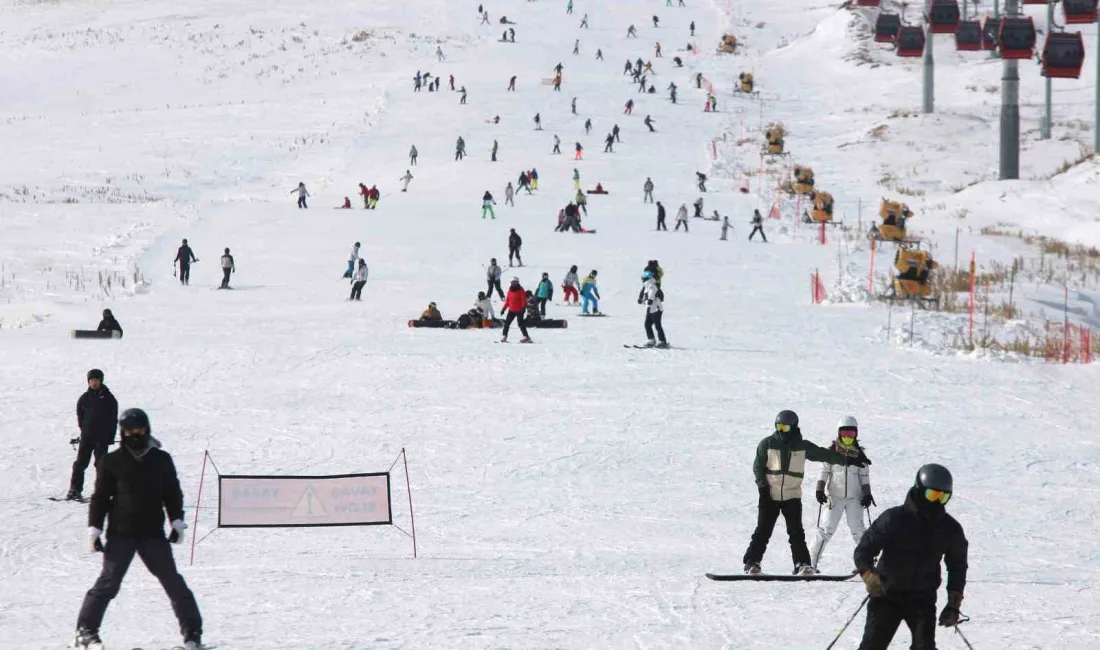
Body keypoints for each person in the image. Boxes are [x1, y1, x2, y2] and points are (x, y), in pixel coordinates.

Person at [74, 408, 203, 650]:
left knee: (172, 582)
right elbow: (101, 497)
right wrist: (94, 528)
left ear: (147, 429)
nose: (135, 434)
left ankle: (192, 633)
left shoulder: (161, 460)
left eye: (139, 429)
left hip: (152, 533)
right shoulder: (112, 461)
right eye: (129, 430)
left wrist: (176, 520)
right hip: (121, 533)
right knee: (109, 582)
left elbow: (172, 493)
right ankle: (85, 632)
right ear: (122, 432)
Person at [855, 464, 968, 650]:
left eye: (943, 496)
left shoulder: (949, 528)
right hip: (886, 595)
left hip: (922, 599)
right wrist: (869, 576)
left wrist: (953, 604)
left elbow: (957, 565)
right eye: (933, 495)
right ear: (919, 490)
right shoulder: (894, 518)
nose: (937, 502)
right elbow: (864, 550)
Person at [743, 410, 870, 575]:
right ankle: (751, 563)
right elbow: (757, 467)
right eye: (779, 427)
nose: (781, 431)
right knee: (763, 531)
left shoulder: (802, 446)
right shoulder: (767, 444)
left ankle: (802, 564)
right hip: (769, 496)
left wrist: (848, 460)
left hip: (792, 496)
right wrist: (763, 489)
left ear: (794, 428)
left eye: (785, 428)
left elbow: (824, 455)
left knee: (796, 533)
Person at [809, 416, 873, 569]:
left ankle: (868, 563)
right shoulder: (831, 454)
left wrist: (867, 494)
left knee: (858, 531)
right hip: (834, 497)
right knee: (826, 529)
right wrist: (819, 489)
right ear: (839, 433)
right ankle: (810, 564)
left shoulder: (860, 456)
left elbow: (864, 477)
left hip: (854, 499)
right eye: (845, 434)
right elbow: (824, 472)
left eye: (851, 434)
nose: (847, 437)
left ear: (856, 434)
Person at [67, 369, 119, 501]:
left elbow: (113, 420)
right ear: (88, 382)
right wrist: (84, 430)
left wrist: (110, 437)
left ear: (101, 381)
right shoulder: (84, 398)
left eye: (96, 380)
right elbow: (80, 416)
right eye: (92, 380)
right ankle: (74, 490)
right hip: (87, 436)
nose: (94, 383)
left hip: (102, 438)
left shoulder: (109, 399)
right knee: (80, 463)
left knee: (101, 465)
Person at [639, 271, 667, 347]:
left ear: (647, 278)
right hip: (650, 308)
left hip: (656, 309)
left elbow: (652, 293)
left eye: (643, 278)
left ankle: (662, 341)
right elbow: (646, 295)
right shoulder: (646, 286)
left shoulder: (651, 285)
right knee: (647, 324)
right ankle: (651, 340)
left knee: (657, 325)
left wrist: (650, 301)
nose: (642, 280)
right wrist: (641, 300)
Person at [500, 278, 532, 343]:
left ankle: (526, 337)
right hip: (511, 310)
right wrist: (503, 309)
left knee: (520, 323)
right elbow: (508, 301)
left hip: (519, 310)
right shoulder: (510, 291)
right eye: (512, 282)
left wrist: (523, 308)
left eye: (515, 282)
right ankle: (504, 336)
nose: (513, 284)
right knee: (507, 323)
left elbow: (523, 299)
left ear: (518, 282)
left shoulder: (521, 290)